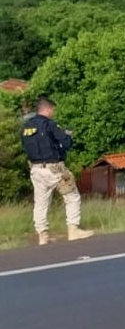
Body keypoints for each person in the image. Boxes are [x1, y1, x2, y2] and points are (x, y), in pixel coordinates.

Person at [20, 97, 93, 245]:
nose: (53, 112)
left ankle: (43, 236)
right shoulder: (50, 125)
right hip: (54, 169)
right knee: (72, 196)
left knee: (40, 202)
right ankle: (73, 230)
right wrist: (67, 136)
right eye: (52, 109)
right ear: (47, 109)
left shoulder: (26, 127)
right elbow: (66, 143)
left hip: (35, 169)